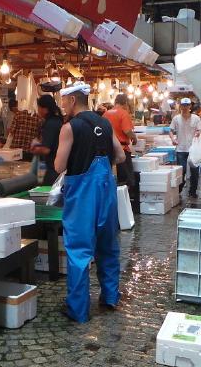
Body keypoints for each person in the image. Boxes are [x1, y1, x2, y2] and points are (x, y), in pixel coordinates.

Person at [54, 82, 126, 323]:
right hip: (106, 193)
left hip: (83, 196)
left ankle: (78, 309)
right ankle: (110, 298)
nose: (62, 105)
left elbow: (59, 166)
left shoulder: (69, 127)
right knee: (108, 246)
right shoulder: (105, 123)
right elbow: (121, 155)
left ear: (72, 101)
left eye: (63, 101)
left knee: (79, 251)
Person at [104, 94, 139, 213]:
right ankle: (125, 208)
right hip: (122, 150)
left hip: (108, 150)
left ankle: (112, 206)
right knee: (126, 180)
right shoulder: (123, 113)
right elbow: (127, 130)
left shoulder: (106, 114)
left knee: (112, 179)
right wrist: (134, 139)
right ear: (125, 103)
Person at [170, 97, 201, 198]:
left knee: (194, 171)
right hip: (180, 149)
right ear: (180, 106)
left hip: (193, 149)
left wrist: (197, 133)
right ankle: (179, 189)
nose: (185, 107)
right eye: (183, 105)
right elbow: (171, 130)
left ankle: (192, 191)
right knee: (182, 170)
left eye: (187, 105)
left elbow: (199, 130)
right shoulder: (176, 118)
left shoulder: (196, 118)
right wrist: (173, 139)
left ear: (190, 106)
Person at [31, 95, 63, 186]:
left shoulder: (50, 124)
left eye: (39, 107)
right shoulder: (58, 120)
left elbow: (46, 149)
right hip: (58, 168)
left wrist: (35, 149)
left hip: (53, 170)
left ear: (45, 109)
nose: (38, 110)